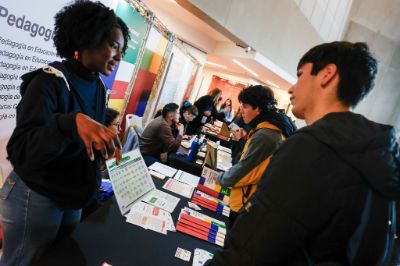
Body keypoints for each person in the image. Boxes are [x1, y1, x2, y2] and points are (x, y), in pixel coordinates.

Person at [207, 42, 400, 265]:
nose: (291, 88)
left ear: (327, 74)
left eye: (300, 75)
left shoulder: (311, 147)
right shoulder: (379, 154)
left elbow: (252, 245)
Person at [0, 1, 130, 265]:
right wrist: (69, 123)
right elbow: (21, 150)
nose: (119, 56)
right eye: (114, 46)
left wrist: (102, 144)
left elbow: (79, 141)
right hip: (35, 195)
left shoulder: (98, 87)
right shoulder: (47, 82)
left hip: (71, 196)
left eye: (122, 50)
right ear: (87, 38)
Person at [217, 85, 296, 225]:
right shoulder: (269, 129)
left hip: (246, 205)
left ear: (258, 108)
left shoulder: (266, 134)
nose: (241, 111)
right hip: (250, 202)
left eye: (245, 106)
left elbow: (244, 170)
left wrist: (220, 178)